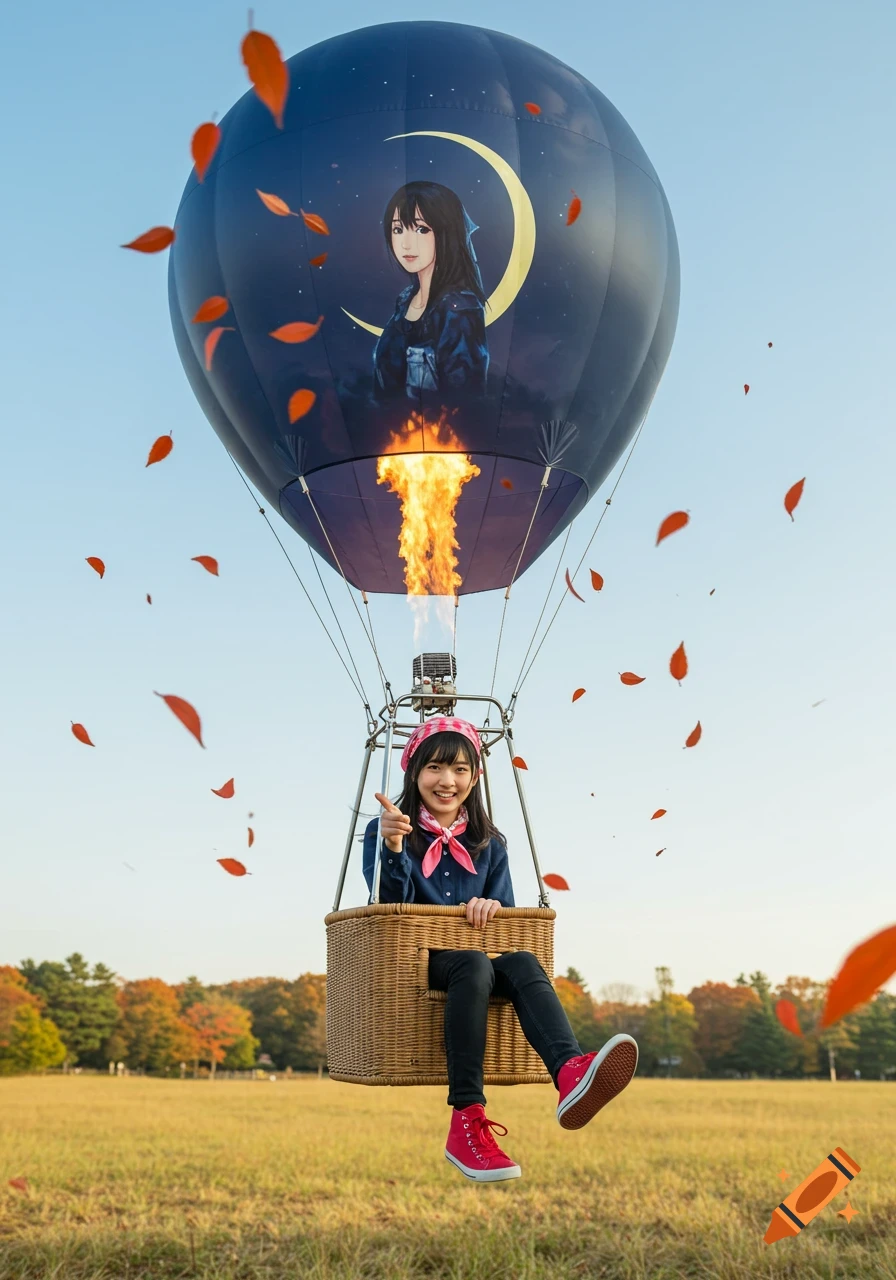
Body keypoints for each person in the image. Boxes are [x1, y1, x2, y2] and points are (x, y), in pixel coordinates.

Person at [362, 715, 638, 1183]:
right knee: (473, 963)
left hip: (478, 963)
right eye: (434, 768)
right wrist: (392, 846)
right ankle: (466, 1119)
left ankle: (569, 1071)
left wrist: (493, 906)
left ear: (475, 778)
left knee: (522, 961)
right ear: (413, 772)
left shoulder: (489, 844)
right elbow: (391, 908)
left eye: (459, 770)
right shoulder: (386, 830)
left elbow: (505, 928)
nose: (447, 781)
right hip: (417, 964)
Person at [372, 182, 489, 403]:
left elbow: (464, 397)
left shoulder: (459, 309)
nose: (406, 244)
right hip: (387, 422)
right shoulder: (405, 300)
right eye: (398, 229)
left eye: (421, 229)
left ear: (447, 232)